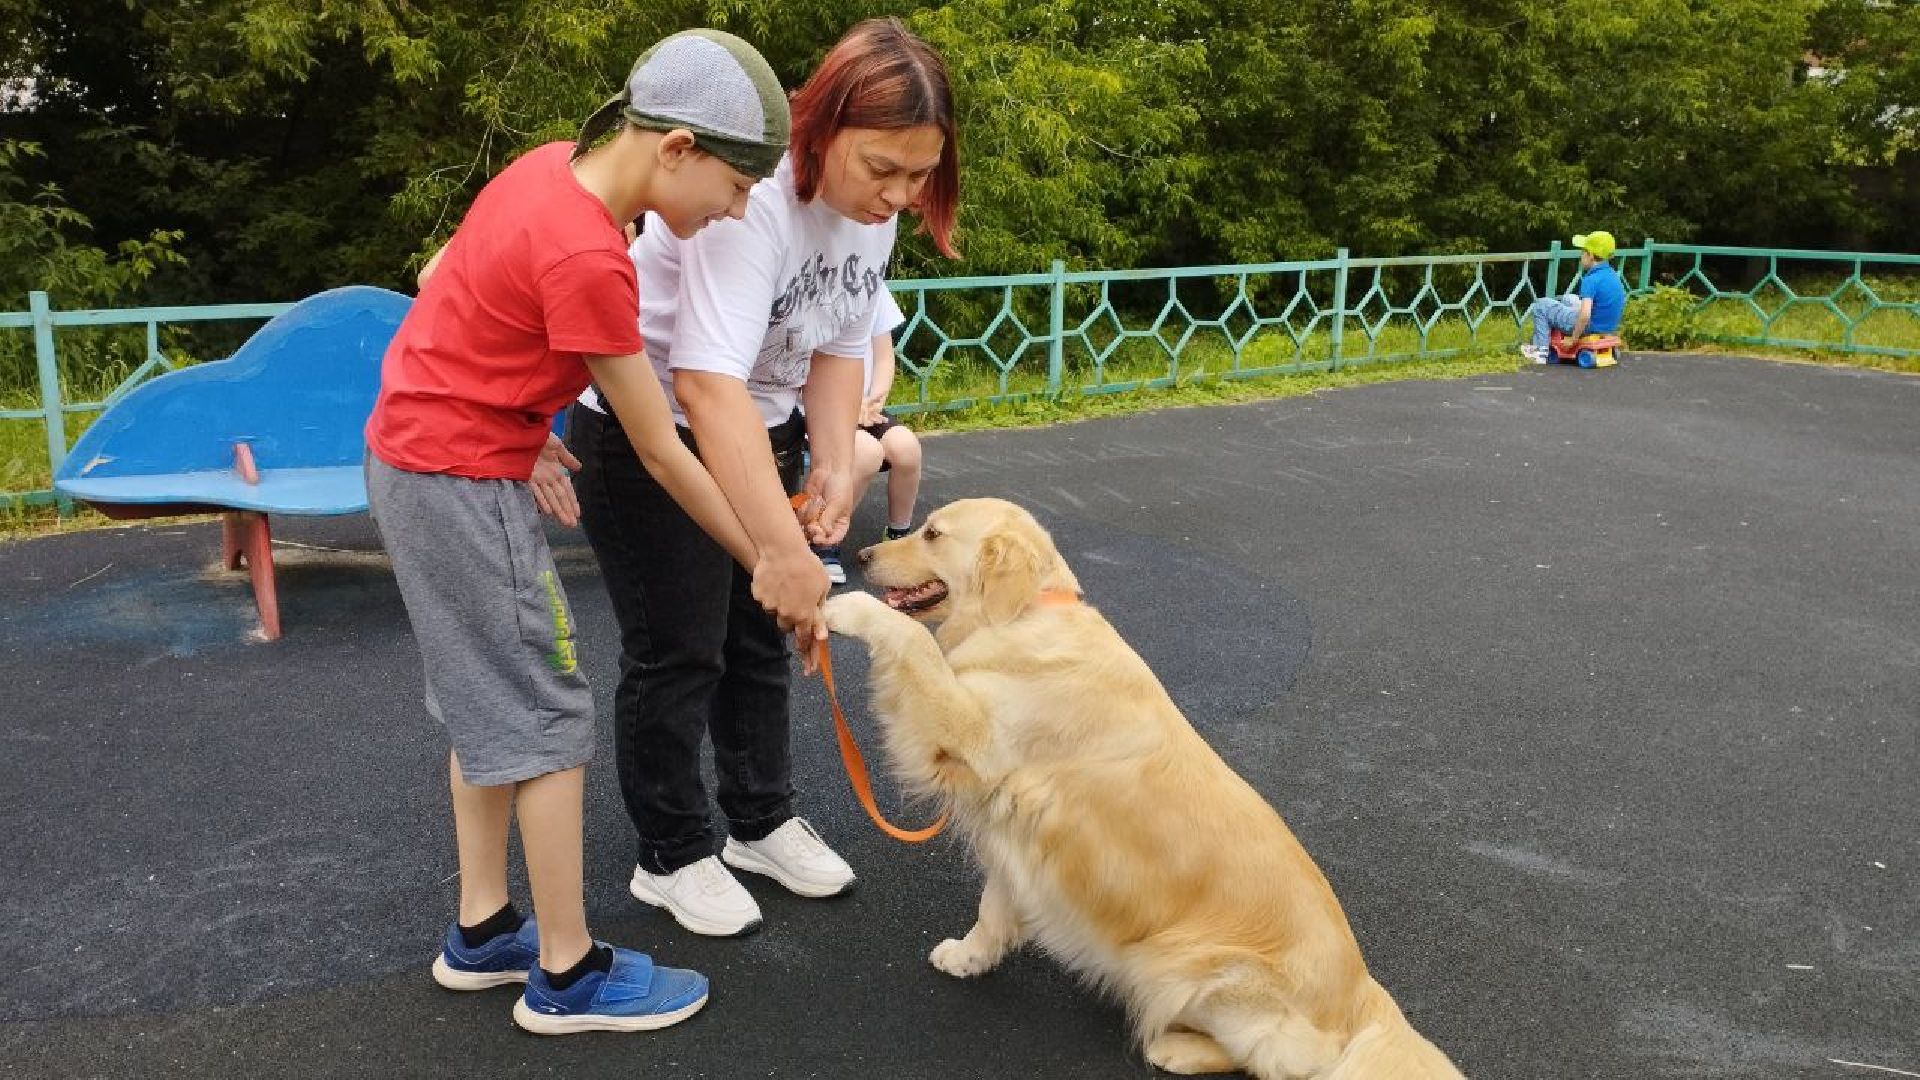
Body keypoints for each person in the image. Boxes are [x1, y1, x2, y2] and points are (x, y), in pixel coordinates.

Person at [364, 29, 815, 1034]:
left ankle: (484, 933)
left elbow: (446, 279)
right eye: (736, 186)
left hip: (417, 458)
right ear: (678, 149)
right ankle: (565, 975)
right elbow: (661, 449)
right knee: (544, 717)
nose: (739, 209)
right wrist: (770, 560)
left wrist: (513, 420)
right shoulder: (590, 255)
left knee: (487, 711)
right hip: (458, 487)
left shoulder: (540, 174)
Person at [567, 16, 959, 937]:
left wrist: (829, 462)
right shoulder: (751, 201)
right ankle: (670, 853)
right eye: (882, 170)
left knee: (759, 640)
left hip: (761, 428)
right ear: (821, 131)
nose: (900, 196)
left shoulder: (871, 218)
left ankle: (759, 819)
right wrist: (779, 548)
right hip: (651, 434)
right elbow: (705, 385)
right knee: (680, 647)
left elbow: (837, 341)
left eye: (921, 174)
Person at [813, 287, 924, 584]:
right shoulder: (810, 280)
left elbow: (884, 359)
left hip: (864, 407)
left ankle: (898, 534)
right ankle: (823, 542)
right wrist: (850, 407)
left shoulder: (871, 282)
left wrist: (874, 400)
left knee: (906, 448)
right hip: (818, 408)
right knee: (866, 452)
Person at [1521, 230, 1627, 363]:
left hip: (1589, 326)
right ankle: (1555, 332)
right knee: (1568, 298)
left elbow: (1585, 315)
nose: (1581, 255)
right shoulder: (1613, 276)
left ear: (1591, 256)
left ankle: (1540, 351)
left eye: (1583, 252)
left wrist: (1574, 338)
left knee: (1542, 305)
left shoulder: (1591, 280)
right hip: (1606, 325)